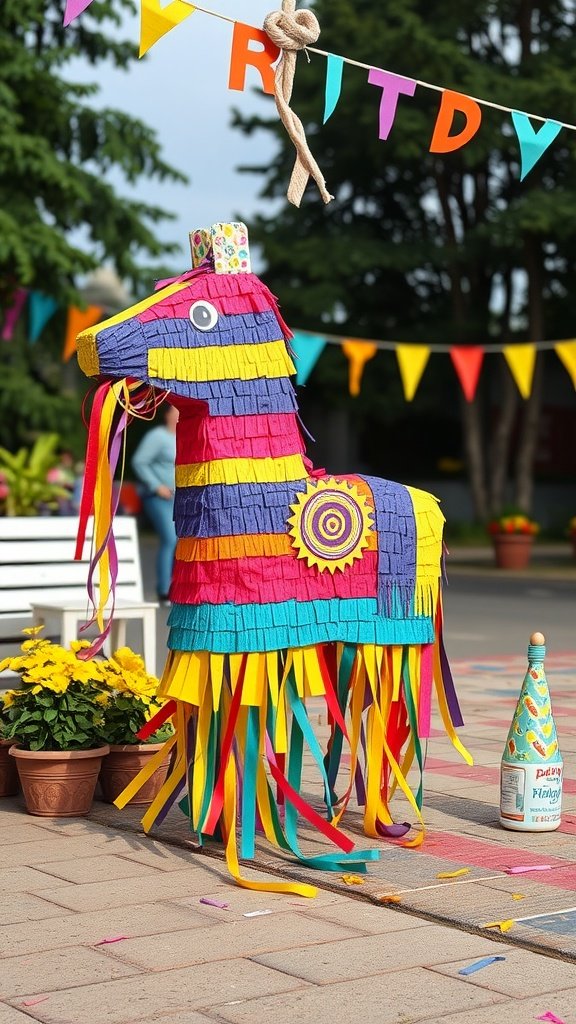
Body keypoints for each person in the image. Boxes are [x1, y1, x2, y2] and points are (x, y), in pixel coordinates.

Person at [132, 404, 179, 604]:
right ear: (167, 414)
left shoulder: (185, 436)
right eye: (176, 410)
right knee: (170, 538)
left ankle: (179, 586)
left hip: (180, 498)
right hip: (159, 497)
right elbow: (139, 461)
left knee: (183, 542)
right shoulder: (158, 437)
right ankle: (163, 589)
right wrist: (156, 485)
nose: (180, 413)